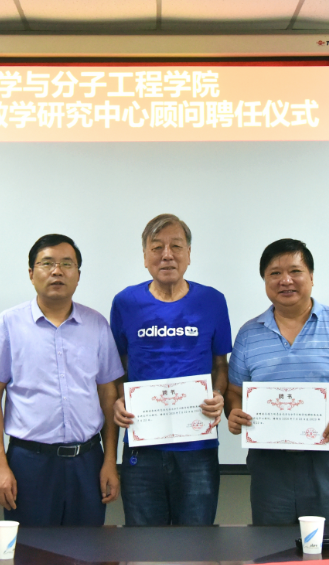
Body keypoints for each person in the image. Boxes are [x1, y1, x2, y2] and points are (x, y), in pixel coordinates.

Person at [225, 238, 329, 525]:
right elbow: (234, 391)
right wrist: (233, 412)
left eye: (295, 271)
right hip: (269, 462)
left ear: (311, 276)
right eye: (275, 273)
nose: (285, 280)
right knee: (271, 545)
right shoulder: (248, 334)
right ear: (265, 280)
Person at [0, 234, 124, 526]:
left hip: (88, 461)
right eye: (47, 263)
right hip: (29, 462)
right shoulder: (8, 323)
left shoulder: (97, 324)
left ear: (78, 275)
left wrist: (110, 460)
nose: (57, 271)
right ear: (31, 273)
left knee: (87, 547)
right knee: (31, 548)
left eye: (67, 264)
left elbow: (108, 394)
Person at [110, 213, 230, 525]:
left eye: (176, 246)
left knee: (196, 542)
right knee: (144, 543)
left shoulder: (213, 301)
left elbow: (220, 364)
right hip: (142, 445)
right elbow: (118, 366)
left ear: (188, 254)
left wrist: (218, 394)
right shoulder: (125, 302)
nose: (167, 255)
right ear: (145, 256)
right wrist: (119, 399)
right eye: (157, 247)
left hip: (197, 446)